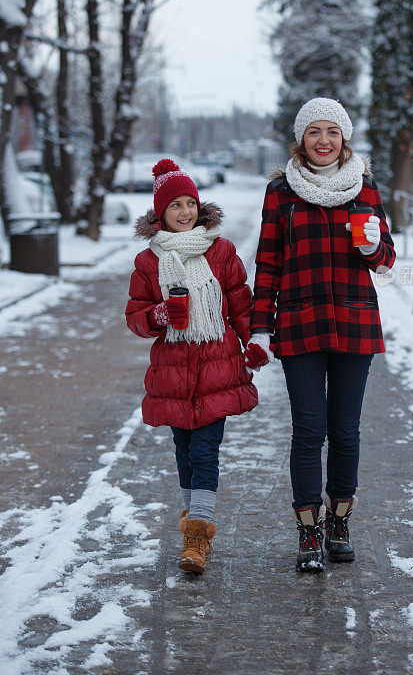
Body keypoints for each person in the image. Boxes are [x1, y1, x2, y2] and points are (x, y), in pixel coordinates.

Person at [245, 97, 396, 572]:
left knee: (345, 432)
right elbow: (268, 262)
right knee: (309, 431)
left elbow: (387, 259)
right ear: (301, 140)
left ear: (345, 139)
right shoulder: (280, 191)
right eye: (314, 132)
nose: (324, 141)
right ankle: (308, 533)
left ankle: (339, 523)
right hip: (299, 321)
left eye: (333, 132)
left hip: (354, 320)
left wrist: (374, 246)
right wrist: (258, 327)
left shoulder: (364, 188)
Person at [126, 159, 258, 575]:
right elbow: (135, 316)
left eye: (190, 203)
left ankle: (198, 536)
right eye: (175, 206)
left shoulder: (221, 251)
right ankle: (191, 523)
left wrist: (253, 341)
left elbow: (240, 302)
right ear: (160, 214)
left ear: (200, 207)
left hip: (217, 369)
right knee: (183, 450)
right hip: (173, 372)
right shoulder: (149, 261)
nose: (184, 212)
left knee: (205, 450)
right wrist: (161, 314)